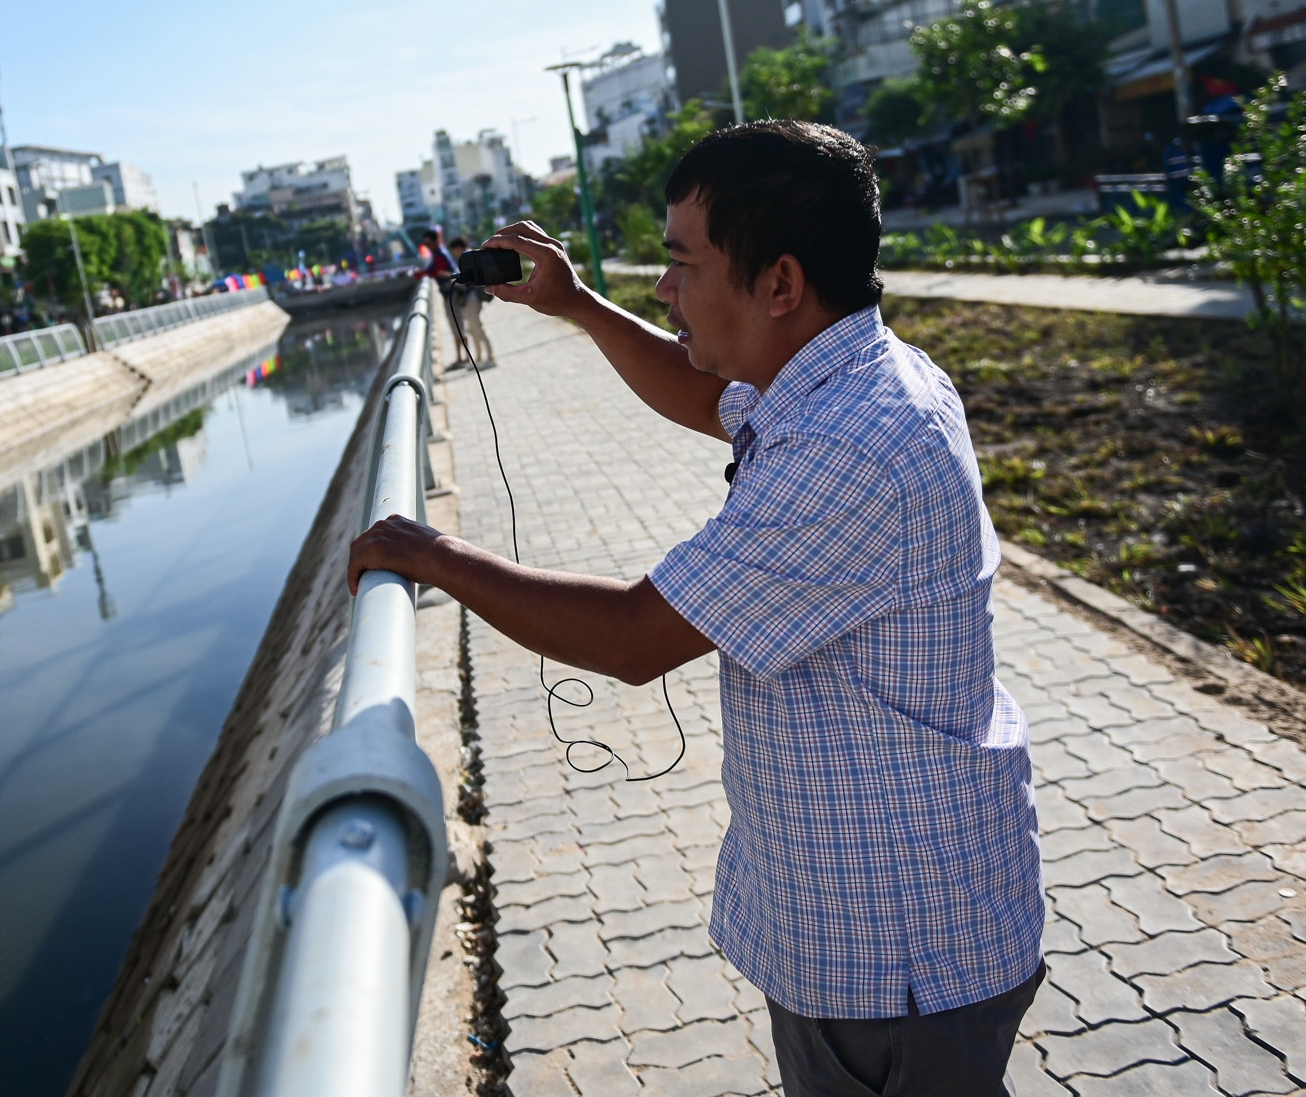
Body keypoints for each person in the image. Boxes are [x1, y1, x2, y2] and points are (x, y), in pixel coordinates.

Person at [351, 121, 1042, 1096]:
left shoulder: (849, 445)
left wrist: (432, 555)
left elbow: (633, 636)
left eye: (681, 264)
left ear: (778, 284)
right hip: (888, 915)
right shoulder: (842, 374)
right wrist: (575, 305)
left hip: (900, 950)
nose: (664, 289)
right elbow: (696, 391)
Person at [416, 227, 469, 367]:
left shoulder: (439, 255)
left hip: (452, 295)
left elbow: (432, 272)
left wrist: (417, 274)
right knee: (456, 326)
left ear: (434, 242)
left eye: (428, 244)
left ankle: (466, 358)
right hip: (450, 294)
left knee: (458, 326)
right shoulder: (440, 254)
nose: (426, 246)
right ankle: (461, 357)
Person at [447, 235, 495, 367]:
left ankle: (490, 358)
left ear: (458, 248)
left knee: (478, 329)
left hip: (472, 299)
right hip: (468, 300)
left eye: (454, 250)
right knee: (472, 330)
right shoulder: (466, 257)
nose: (453, 253)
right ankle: (479, 359)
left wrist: (456, 281)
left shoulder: (469, 258)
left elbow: (471, 280)